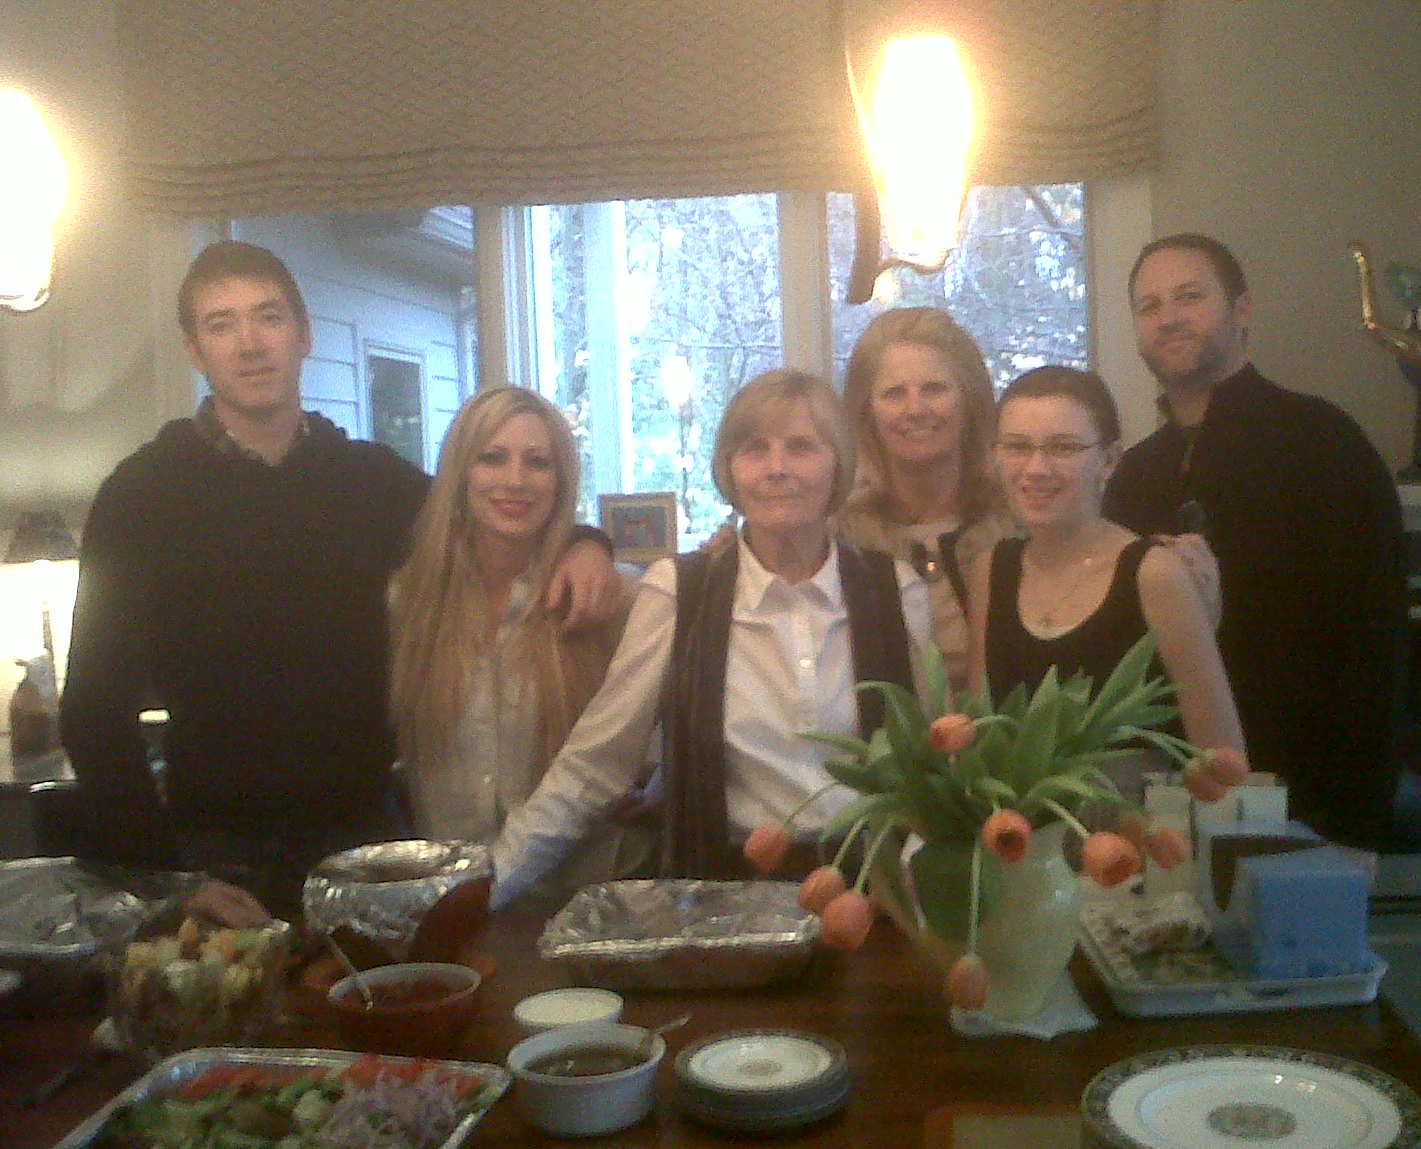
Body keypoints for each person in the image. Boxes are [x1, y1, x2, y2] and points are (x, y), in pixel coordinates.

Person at [59, 241, 620, 915]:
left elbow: (491, 515)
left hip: (369, 845)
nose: (250, 343)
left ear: (304, 336)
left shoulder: (371, 481)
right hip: (216, 854)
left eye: (268, 317)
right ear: (194, 350)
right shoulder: (141, 497)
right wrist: (170, 879)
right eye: (221, 324)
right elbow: (91, 713)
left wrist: (585, 544)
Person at [491, 368, 933, 907]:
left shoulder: (896, 591)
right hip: (723, 899)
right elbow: (596, 763)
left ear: (838, 466)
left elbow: (931, 767)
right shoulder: (679, 593)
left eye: (801, 447)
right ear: (729, 469)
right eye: (755, 449)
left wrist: (919, 887)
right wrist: (488, 885)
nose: (776, 468)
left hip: (873, 900)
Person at [1102, 233, 1407, 848]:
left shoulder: (1324, 444)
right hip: (1167, 809)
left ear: (1241, 311)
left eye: (1190, 297)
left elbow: (1377, 641)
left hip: (1313, 803)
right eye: (1149, 306)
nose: (1168, 317)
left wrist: (1357, 823)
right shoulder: (1132, 477)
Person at [388, 385, 652, 902]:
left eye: (537, 462)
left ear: (560, 480)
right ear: (460, 473)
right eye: (492, 458)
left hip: (591, 901)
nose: (515, 480)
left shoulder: (613, 598)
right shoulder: (407, 603)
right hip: (451, 907)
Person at [969, 367, 1243, 773]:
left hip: (1135, 811)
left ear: (1109, 460)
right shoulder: (992, 568)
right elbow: (976, 734)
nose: (1036, 468)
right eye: (1017, 446)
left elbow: (1223, 759)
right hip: (1013, 813)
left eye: (1063, 448)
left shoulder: (1154, 574)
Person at [838, 308, 1013, 684]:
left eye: (934, 389)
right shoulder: (837, 538)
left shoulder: (1018, 523)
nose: (915, 409)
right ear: (867, 412)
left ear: (969, 400)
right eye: (894, 393)